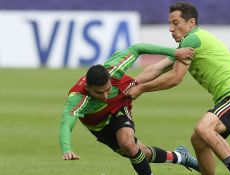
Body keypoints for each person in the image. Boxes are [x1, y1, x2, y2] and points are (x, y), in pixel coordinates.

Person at [125, 2, 230, 175]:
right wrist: (130, 85)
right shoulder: (186, 46)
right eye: (170, 24)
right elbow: (157, 68)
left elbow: (175, 78)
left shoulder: (192, 38)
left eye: (176, 23)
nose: (171, 29)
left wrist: (141, 89)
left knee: (203, 129)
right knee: (198, 140)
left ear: (191, 23)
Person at [59, 43, 199, 175]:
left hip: (119, 106)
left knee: (127, 144)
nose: (105, 95)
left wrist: (175, 52)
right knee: (142, 153)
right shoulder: (76, 98)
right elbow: (66, 124)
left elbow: (137, 48)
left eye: (108, 89)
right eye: (99, 93)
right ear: (88, 88)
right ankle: (180, 157)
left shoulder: (114, 69)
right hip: (100, 127)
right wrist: (66, 149)